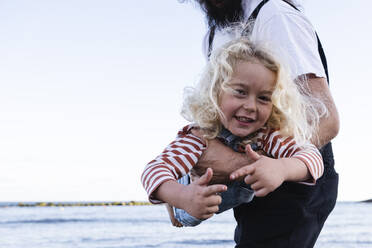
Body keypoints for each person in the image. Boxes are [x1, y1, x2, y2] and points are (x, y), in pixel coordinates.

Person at [182, 0, 339, 247]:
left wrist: (237, 164)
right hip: (252, 189)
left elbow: (326, 121)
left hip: (296, 183)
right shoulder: (213, 37)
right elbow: (214, 120)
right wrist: (179, 192)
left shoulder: (274, 15)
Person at [141, 38, 326, 228]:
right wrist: (181, 196)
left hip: (218, 202)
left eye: (263, 98)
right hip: (186, 195)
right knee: (179, 211)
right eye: (240, 92)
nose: (251, 106)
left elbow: (313, 157)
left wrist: (282, 168)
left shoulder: (266, 134)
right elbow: (152, 170)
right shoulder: (199, 136)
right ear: (215, 92)